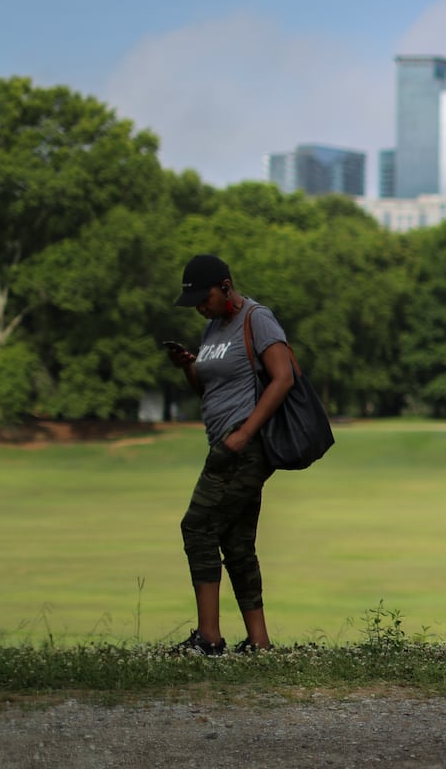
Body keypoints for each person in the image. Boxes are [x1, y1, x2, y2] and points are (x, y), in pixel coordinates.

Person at [165, 254, 295, 655]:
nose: (201, 308)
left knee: (197, 527)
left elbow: (284, 376)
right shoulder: (212, 329)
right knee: (237, 542)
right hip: (225, 441)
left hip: (243, 448)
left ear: (225, 286)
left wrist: (245, 433)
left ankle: (209, 638)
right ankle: (259, 642)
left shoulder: (257, 319)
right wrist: (189, 367)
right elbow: (209, 392)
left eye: (204, 299)